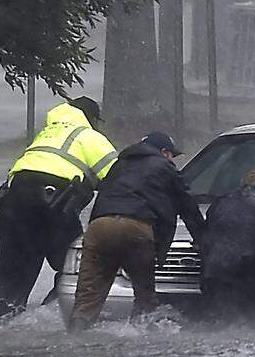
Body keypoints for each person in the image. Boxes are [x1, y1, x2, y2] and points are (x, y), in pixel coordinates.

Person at [0, 96, 117, 319]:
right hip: (54, 206)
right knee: (81, 265)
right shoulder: (89, 137)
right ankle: (48, 315)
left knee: (14, 269)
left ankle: (5, 320)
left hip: (13, 205)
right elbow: (118, 177)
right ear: (92, 118)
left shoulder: (46, 134)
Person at [68, 132, 205, 330]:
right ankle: (141, 337)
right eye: (171, 155)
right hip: (136, 228)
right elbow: (188, 206)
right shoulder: (164, 167)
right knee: (144, 295)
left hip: (99, 227)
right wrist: (203, 240)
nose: (171, 160)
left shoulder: (119, 166)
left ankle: (76, 335)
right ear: (164, 152)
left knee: (87, 296)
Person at [200, 171, 255, 323]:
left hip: (217, 269)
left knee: (221, 322)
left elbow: (208, 233)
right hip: (253, 269)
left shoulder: (220, 202)